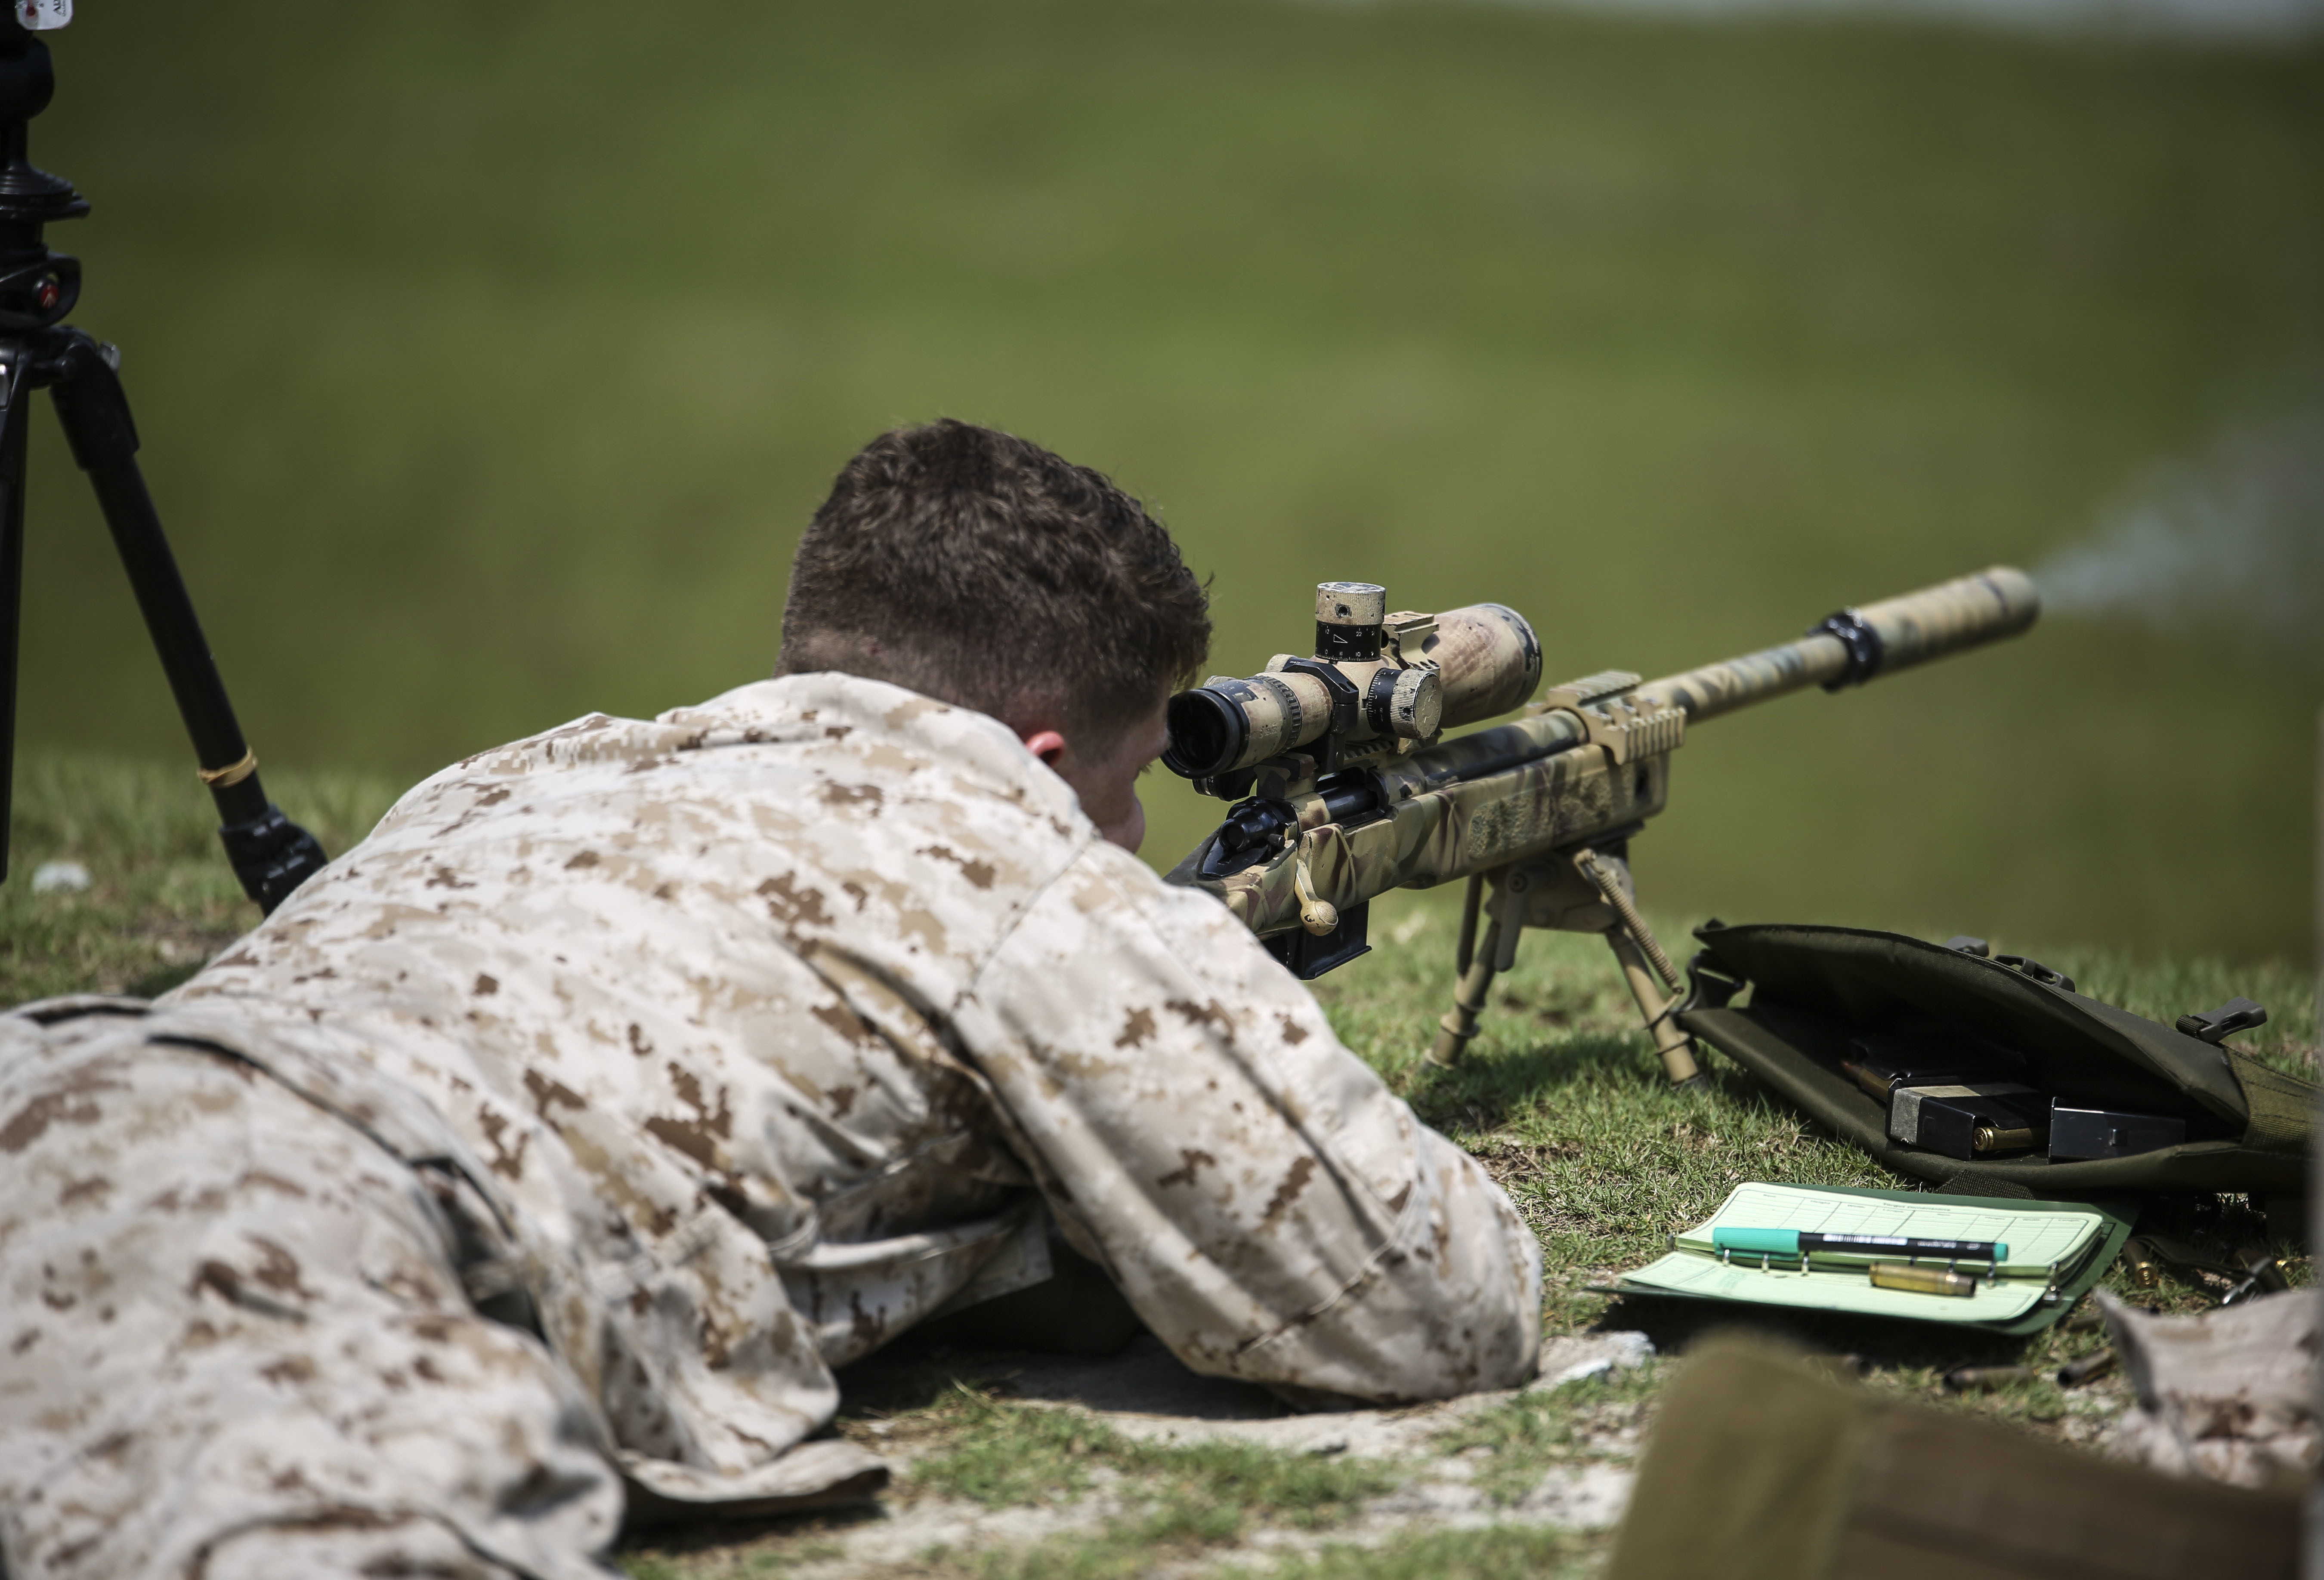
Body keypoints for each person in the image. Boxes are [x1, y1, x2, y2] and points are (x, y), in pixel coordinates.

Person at [0, 421, 1543, 1580]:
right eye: (1141, 787)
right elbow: (1438, 1306)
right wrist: (1195, 968)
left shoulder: (524, 772)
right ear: (1047, 765)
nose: (1139, 839)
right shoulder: (1004, 857)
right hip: (290, 1260)